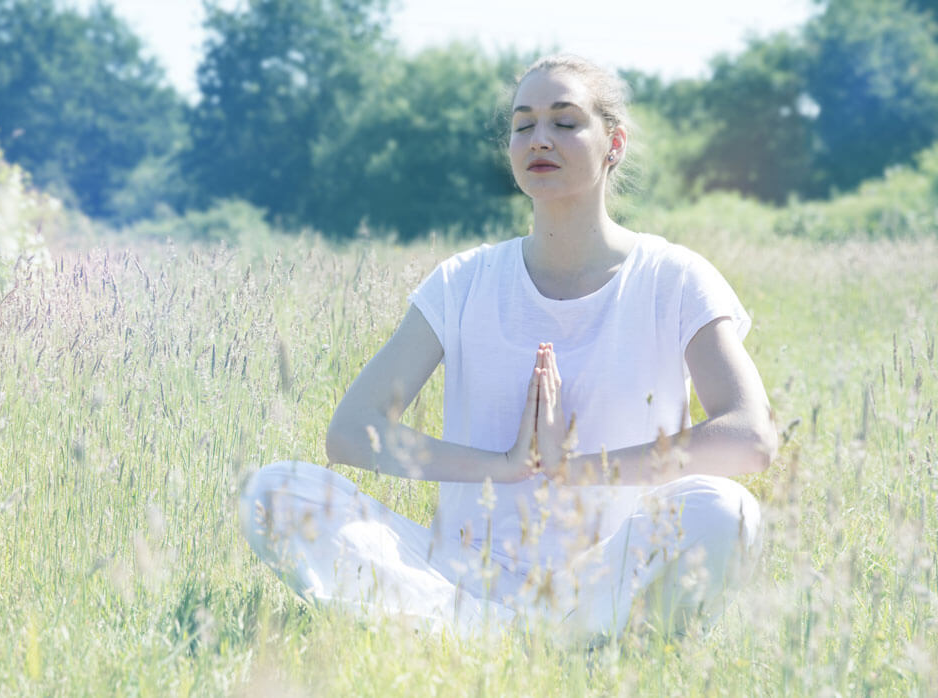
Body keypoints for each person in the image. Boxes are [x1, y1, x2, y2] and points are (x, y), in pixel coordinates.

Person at [238, 54, 776, 644]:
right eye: (524, 124)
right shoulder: (463, 280)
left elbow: (750, 436)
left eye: (565, 122)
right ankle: (519, 639)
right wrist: (504, 467)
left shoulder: (673, 276)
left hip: (603, 579)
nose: (539, 138)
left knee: (728, 510)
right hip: (458, 578)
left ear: (613, 143)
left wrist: (574, 471)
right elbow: (351, 431)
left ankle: (514, 638)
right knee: (276, 491)